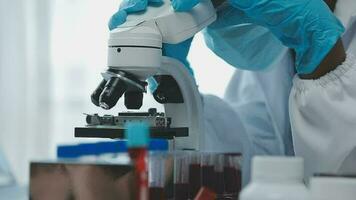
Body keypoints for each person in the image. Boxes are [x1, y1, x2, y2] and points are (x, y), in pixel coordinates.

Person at [108, 0, 356, 183]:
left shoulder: (300, 17)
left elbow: (344, 180)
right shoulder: (275, 37)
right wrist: (182, 98)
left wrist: (323, 53)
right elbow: (257, 160)